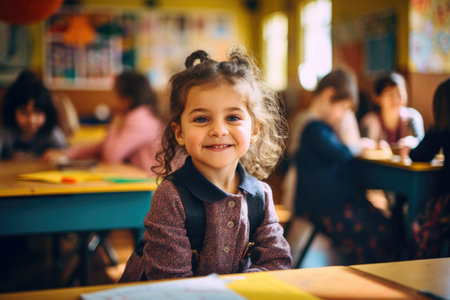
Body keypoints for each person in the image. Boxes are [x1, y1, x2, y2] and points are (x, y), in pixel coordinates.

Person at [119, 47, 291, 281]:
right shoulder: (171, 197)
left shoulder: (261, 196)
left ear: (254, 130)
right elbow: (172, 284)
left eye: (232, 117)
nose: (218, 130)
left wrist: (239, 287)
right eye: (201, 119)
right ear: (179, 132)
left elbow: (277, 262)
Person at [292, 69, 403, 264]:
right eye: (342, 108)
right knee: (381, 231)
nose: (343, 115)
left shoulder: (322, 128)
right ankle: (369, 268)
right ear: (329, 96)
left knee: (387, 226)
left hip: (333, 204)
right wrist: (359, 146)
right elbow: (340, 153)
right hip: (325, 207)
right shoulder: (314, 128)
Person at [43, 71, 164, 173]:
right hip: (145, 180)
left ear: (126, 100)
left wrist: (114, 125)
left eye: (113, 94)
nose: (110, 98)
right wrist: (67, 153)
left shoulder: (139, 119)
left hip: (151, 186)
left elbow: (112, 155)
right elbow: (103, 146)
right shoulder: (142, 114)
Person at [409, 77, 450, 259]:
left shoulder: (441, 128)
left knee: (420, 225)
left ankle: (419, 265)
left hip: (446, 199)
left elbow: (419, 155)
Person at [0, 70, 67, 160]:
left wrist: (61, 155)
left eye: (38, 112)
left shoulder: (52, 134)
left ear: (47, 112)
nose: (31, 120)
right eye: (24, 112)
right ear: (11, 112)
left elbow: (65, 155)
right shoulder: (5, 133)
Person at [360, 71, 424, 157]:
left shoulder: (412, 117)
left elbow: (422, 144)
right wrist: (375, 145)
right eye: (389, 94)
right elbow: (360, 147)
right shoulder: (369, 121)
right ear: (377, 98)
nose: (395, 99)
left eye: (399, 93)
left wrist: (412, 142)